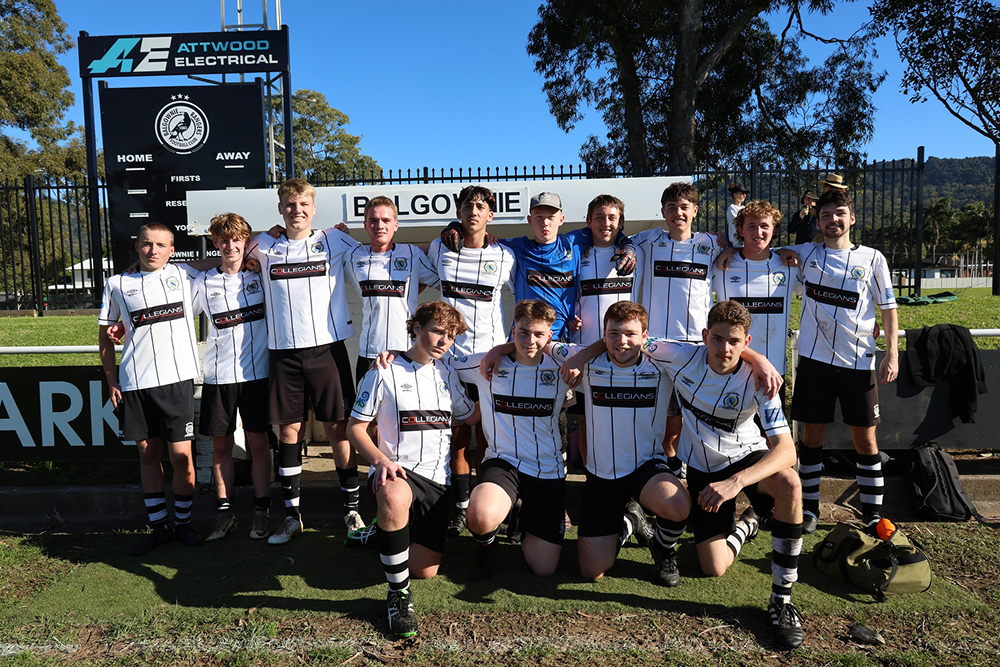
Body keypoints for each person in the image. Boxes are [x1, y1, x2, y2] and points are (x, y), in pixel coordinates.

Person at [641, 300, 805, 650]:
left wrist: (738, 482)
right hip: (703, 470)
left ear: (746, 342)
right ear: (704, 337)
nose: (724, 349)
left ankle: (782, 600)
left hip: (746, 461)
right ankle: (747, 524)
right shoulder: (678, 354)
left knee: (790, 483)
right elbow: (632, 340)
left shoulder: (762, 378)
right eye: (717, 339)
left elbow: (787, 451)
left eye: (734, 342)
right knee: (713, 567)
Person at [348, 301, 479, 638]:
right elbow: (355, 428)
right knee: (392, 497)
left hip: (438, 485)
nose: (443, 341)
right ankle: (397, 597)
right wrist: (380, 461)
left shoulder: (448, 372)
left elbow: (471, 416)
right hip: (398, 474)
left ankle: (381, 532)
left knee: (426, 570)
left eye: (449, 336)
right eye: (436, 330)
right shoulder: (383, 370)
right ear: (416, 328)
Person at [246, 178, 363, 544]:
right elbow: (226, 255)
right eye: (290, 204)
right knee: (287, 433)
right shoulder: (263, 244)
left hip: (327, 350)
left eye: (303, 205)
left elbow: (382, 253)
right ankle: (292, 515)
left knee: (337, 430)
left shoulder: (335, 240)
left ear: (314, 209)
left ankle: (351, 511)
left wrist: (448, 236)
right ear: (280, 209)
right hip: (283, 356)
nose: (297, 211)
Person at [549, 302, 692, 586]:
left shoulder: (662, 363)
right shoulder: (585, 361)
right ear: (603, 335)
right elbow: (540, 343)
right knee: (591, 572)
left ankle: (663, 548)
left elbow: (710, 349)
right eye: (614, 333)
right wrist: (497, 351)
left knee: (677, 505)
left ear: (645, 336)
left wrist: (759, 360)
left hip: (646, 466)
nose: (622, 341)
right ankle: (631, 522)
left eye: (630, 334)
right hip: (602, 476)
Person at [790, 188, 898, 534]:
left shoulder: (872, 258)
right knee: (812, 437)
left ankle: (872, 515)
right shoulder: (805, 254)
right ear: (817, 221)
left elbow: (888, 308)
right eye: (825, 215)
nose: (832, 220)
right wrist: (729, 250)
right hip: (814, 360)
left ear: (851, 218)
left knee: (865, 441)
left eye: (839, 214)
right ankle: (809, 511)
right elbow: (759, 253)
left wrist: (892, 351)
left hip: (859, 363)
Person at [98, 223, 204, 555]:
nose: (153, 250)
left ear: (173, 250)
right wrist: (112, 380)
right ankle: (160, 528)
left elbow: (230, 255)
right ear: (136, 246)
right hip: (135, 382)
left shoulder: (186, 275)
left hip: (177, 380)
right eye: (146, 244)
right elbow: (105, 335)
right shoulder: (117, 283)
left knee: (182, 457)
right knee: (148, 455)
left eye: (160, 245)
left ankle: (184, 525)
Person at [451, 300, 571, 581]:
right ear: (513, 330)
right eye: (523, 332)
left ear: (550, 336)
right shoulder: (486, 363)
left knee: (544, 569)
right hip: (503, 461)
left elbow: (604, 354)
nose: (531, 340)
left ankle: (521, 517)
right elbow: (439, 358)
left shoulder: (562, 365)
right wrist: (395, 356)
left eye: (539, 334)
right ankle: (487, 548)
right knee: (480, 517)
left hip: (547, 468)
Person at [427, 185, 516, 536]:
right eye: (467, 206)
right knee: (458, 437)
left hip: (491, 364)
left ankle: (491, 502)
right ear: (459, 213)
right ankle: (461, 509)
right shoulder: (440, 248)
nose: (473, 212)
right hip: (451, 362)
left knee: (492, 440)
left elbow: (526, 296)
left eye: (480, 206)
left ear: (490, 215)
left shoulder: (505, 255)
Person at [631, 182, 725, 472]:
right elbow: (618, 240)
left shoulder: (711, 244)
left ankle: (689, 462)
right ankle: (664, 463)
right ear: (663, 212)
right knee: (660, 412)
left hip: (696, 346)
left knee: (694, 411)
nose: (678, 213)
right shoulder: (647, 240)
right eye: (671, 208)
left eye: (684, 207)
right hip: (655, 347)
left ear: (695, 210)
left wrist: (730, 248)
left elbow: (738, 251)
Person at [194, 213, 273, 542]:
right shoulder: (202, 282)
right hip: (218, 376)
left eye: (236, 239)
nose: (230, 245)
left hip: (258, 375)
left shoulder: (261, 273)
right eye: (223, 240)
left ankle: (262, 512)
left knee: (258, 446)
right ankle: (225, 514)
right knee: (221, 448)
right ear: (215, 243)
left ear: (245, 241)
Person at [570, 195, 634, 467]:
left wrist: (627, 243)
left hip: (626, 353)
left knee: (626, 420)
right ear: (588, 222)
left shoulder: (635, 253)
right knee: (587, 422)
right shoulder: (575, 253)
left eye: (612, 218)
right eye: (599, 217)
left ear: (620, 222)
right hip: (586, 353)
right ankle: (591, 477)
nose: (606, 224)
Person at [346, 196, 438, 385]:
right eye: (373, 220)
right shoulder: (352, 255)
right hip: (370, 353)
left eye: (386, 220)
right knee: (369, 414)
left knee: (409, 413)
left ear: (396, 225)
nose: (379, 225)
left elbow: (440, 280)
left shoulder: (412, 253)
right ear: (365, 225)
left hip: (408, 350)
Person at [712, 200, 797, 397]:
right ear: (740, 231)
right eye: (752, 226)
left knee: (772, 429)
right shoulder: (721, 265)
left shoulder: (790, 264)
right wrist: (729, 249)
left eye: (764, 226)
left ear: (773, 230)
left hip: (774, 372)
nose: (758, 232)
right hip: (732, 369)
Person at [726, 182, 750, 247]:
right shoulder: (731, 208)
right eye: (742, 193)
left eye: (745, 193)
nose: (744, 195)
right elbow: (739, 222)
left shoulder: (744, 208)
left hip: (745, 241)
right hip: (736, 242)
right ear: (735, 195)